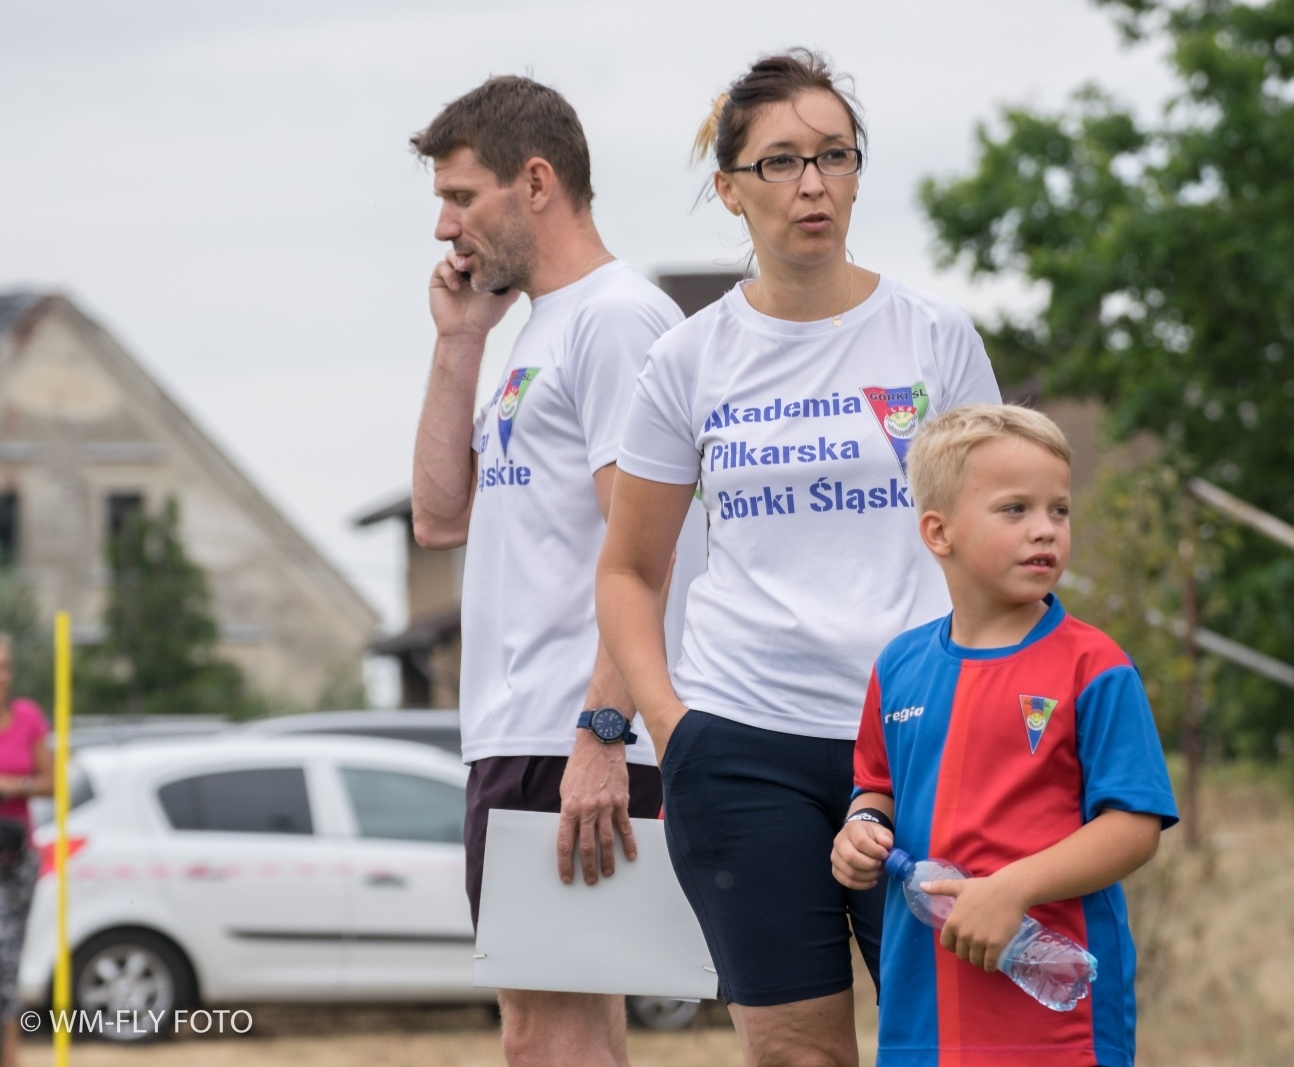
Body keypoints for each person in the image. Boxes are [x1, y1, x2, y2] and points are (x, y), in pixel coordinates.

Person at [595, 50, 1002, 1067]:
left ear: (859, 173)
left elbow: (1000, 542)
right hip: (742, 745)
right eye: (779, 162)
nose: (812, 184)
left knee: (953, 1041)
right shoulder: (687, 359)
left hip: (919, 738)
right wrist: (670, 727)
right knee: (796, 1052)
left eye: (833, 156)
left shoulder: (934, 339)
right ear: (729, 190)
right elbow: (630, 570)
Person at [408, 76, 691, 1067]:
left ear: (535, 182)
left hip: (569, 733)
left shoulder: (618, 320)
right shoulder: (539, 330)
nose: (446, 227)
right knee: (560, 1025)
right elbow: (441, 516)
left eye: (462, 196)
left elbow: (651, 552)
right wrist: (460, 344)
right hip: (521, 728)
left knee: (543, 1031)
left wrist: (603, 731)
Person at [830, 404, 1179, 1066]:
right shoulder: (898, 667)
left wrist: (1011, 888)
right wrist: (858, 828)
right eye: (1015, 509)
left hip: (1054, 1015)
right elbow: (875, 788)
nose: (1045, 530)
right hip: (921, 1008)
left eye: (1059, 510)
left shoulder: (1093, 666)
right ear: (939, 531)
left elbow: (1133, 827)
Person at [0, 634, 50, 1067]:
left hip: (16, 858)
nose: (1, 675)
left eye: (5, 666)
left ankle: (11, 1056)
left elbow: (53, 782)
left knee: (7, 958)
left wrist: (15, 786)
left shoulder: (28, 718)